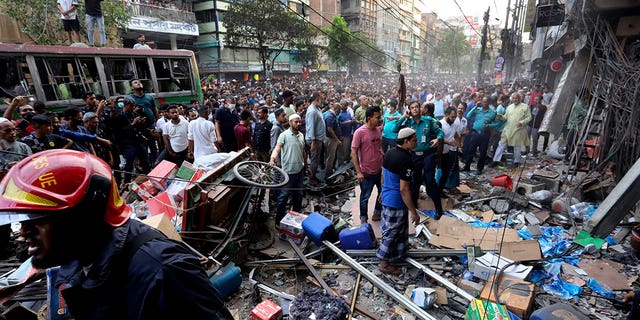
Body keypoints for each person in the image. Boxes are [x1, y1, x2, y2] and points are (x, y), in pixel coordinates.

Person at [0, 149, 234, 319]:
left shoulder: (166, 272)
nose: (23, 233)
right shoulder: (76, 259)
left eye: (36, 220)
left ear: (83, 216)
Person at [376, 127, 419, 275]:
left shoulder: (389, 153)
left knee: (400, 229)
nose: (417, 142)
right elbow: (404, 189)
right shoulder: (405, 160)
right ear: (406, 141)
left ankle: (399, 253)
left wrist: (382, 191)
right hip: (396, 200)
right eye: (414, 140)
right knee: (393, 232)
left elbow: (383, 175)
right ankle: (384, 263)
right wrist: (414, 212)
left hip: (388, 196)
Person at [269, 114, 309, 226]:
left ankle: (295, 221)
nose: (298, 124)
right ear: (290, 122)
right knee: (283, 197)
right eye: (296, 122)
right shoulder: (284, 135)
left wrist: (306, 166)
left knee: (298, 196)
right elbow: (277, 148)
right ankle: (278, 222)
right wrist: (272, 159)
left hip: (299, 172)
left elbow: (303, 152)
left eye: (299, 122)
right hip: (287, 173)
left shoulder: (301, 135)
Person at [351, 106, 384, 224]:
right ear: (369, 118)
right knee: (365, 197)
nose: (380, 119)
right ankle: (363, 218)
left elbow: (379, 147)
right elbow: (353, 152)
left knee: (382, 192)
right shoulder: (359, 132)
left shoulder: (379, 129)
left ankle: (377, 212)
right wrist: (359, 172)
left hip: (379, 169)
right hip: (366, 172)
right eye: (377, 117)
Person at [491, 93, 532, 168]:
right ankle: (496, 160)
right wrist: (500, 116)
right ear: (511, 99)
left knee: (517, 146)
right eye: (513, 98)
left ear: (519, 99)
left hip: (518, 129)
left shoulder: (525, 107)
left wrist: (522, 122)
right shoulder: (509, 107)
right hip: (507, 129)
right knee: (501, 144)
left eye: (516, 98)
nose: (515, 100)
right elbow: (506, 117)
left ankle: (516, 161)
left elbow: (529, 117)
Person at [462, 97, 497, 175]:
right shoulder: (478, 110)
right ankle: (467, 167)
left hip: (485, 135)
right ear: (481, 102)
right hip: (475, 133)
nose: (484, 103)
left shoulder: (492, 112)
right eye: (483, 102)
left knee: (482, 153)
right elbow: (468, 115)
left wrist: (489, 125)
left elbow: (496, 123)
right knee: (471, 151)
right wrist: (475, 107)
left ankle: (479, 169)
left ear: (488, 103)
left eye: (486, 102)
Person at [305, 92, 326, 185]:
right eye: (321, 99)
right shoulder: (312, 111)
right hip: (315, 140)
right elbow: (311, 127)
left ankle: (313, 175)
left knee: (316, 159)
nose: (322, 101)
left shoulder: (317, 108)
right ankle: (311, 179)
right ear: (317, 99)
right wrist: (313, 141)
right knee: (314, 160)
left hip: (318, 139)